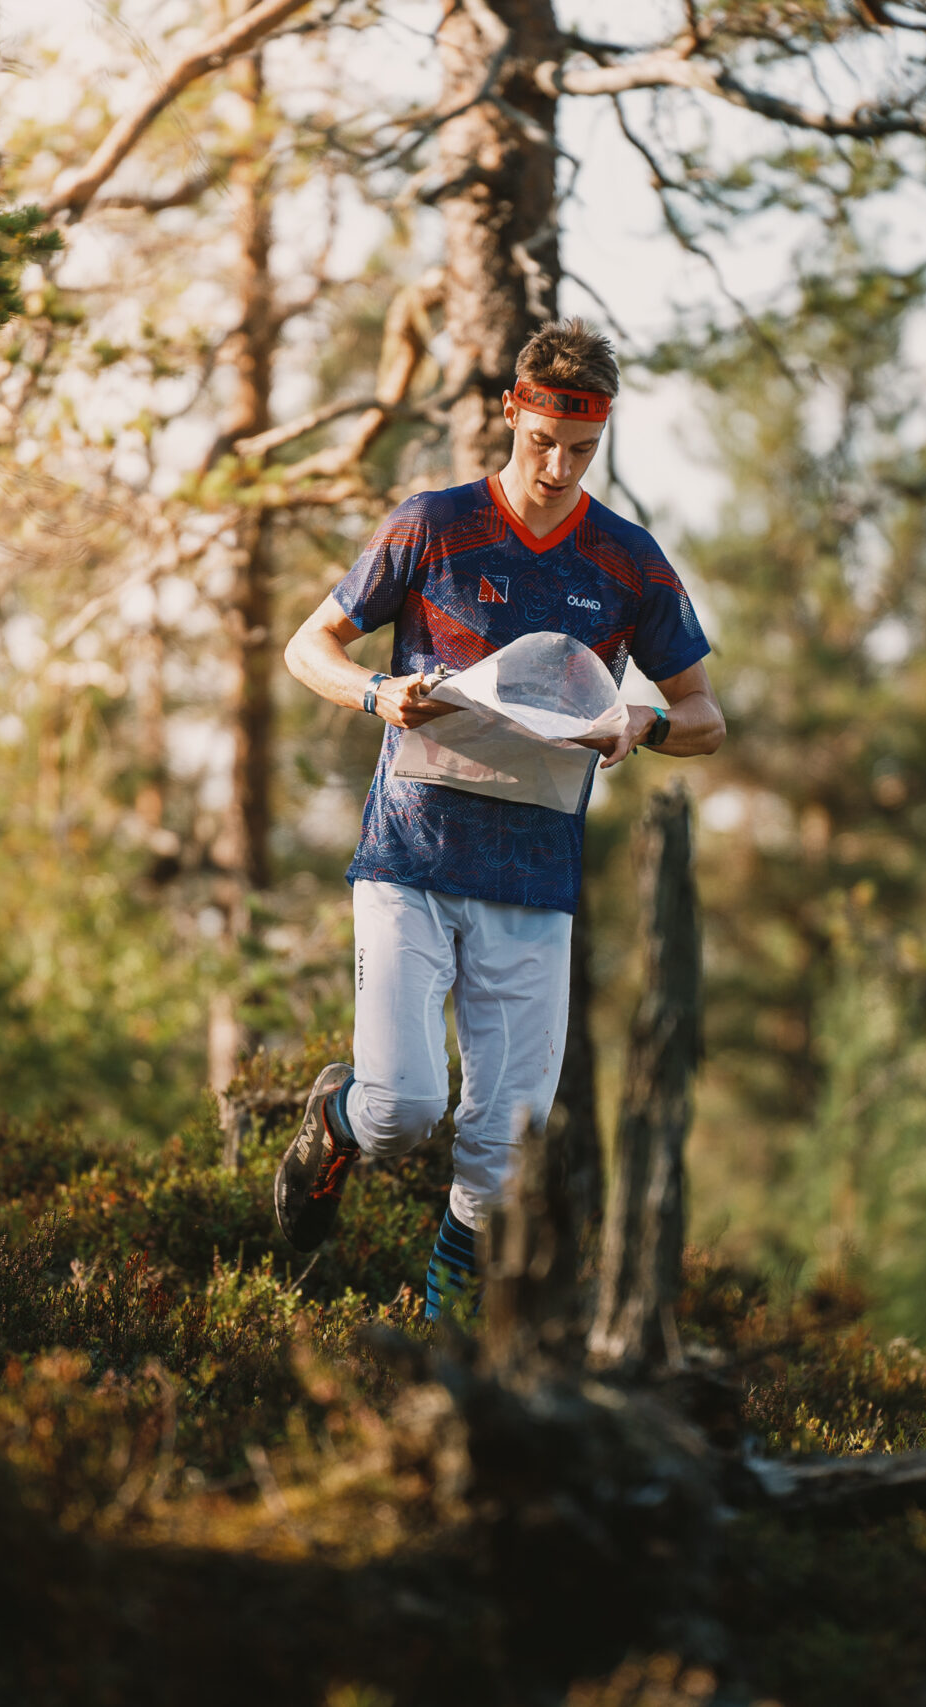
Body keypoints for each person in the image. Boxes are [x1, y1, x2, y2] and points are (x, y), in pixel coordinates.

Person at [276, 318, 725, 1317]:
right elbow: (310, 646)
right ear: (512, 413)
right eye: (541, 442)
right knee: (404, 1109)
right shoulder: (431, 525)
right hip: (411, 856)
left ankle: (439, 1339)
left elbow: (704, 717)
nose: (558, 467)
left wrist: (640, 720)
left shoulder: (629, 561)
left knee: (501, 1151)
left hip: (535, 882)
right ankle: (334, 1126)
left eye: (580, 449)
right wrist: (375, 695)